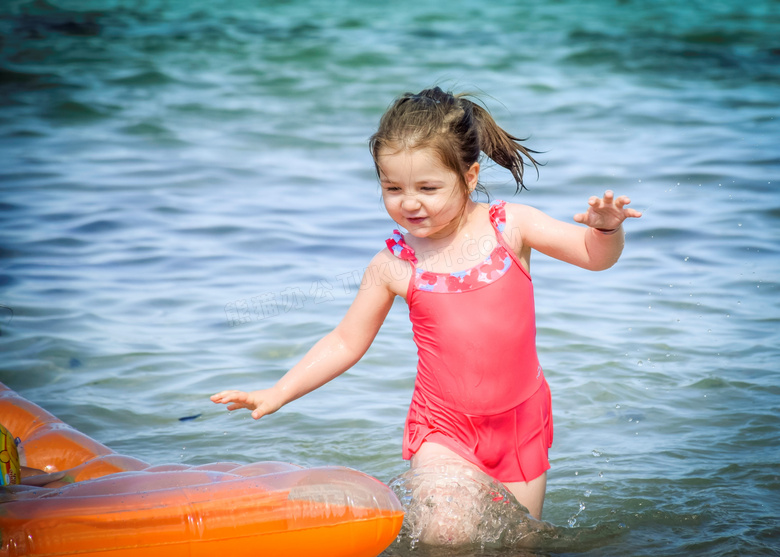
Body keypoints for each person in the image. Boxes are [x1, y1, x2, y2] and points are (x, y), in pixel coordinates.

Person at [211, 86, 642, 524]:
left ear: (470, 177)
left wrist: (606, 231)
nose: (409, 201)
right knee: (446, 537)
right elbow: (346, 340)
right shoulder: (394, 265)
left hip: (519, 425)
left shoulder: (511, 226)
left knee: (518, 541)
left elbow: (594, 259)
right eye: (392, 187)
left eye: (428, 187)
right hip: (443, 426)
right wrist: (278, 392)